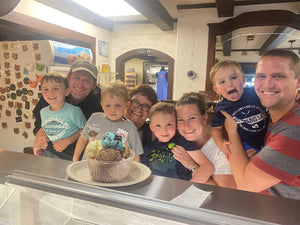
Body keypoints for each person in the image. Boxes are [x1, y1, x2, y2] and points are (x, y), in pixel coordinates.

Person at [221, 49, 300, 199]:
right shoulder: (273, 116)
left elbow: (245, 184)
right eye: (261, 76)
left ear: (298, 81)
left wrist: (232, 131)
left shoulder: (295, 129)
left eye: (278, 76)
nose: (267, 84)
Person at [33, 60, 103, 159]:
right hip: (50, 153)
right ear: (69, 77)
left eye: (86, 80)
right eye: (77, 77)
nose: (80, 85)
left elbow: (95, 133)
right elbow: (39, 122)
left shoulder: (100, 102)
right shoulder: (53, 93)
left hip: (79, 158)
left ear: (94, 84)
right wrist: (39, 133)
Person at [174, 92, 236, 188]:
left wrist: (193, 166)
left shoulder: (221, 150)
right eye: (180, 120)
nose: (186, 126)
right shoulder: (175, 143)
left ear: (204, 118)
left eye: (192, 118)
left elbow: (223, 195)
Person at [142, 102, 215, 183]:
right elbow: (144, 174)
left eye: (169, 124)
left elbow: (208, 167)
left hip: (182, 191)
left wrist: (189, 190)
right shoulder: (148, 148)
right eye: (158, 126)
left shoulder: (182, 142)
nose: (164, 130)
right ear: (151, 127)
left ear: (176, 125)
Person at [210, 60, 268, 159]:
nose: (229, 84)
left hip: (268, 137)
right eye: (222, 82)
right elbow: (215, 129)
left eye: (233, 77)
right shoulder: (221, 107)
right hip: (245, 145)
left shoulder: (255, 92)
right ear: (217, 90)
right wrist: (221, 144)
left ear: (243, 80)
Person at [73, 80, 143, 162]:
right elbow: (83, 139)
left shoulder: (130, 127)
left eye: (118, 105)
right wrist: (75, 160)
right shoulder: (94, 118)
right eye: (108, 105)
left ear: (126, 105)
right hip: (90, 168)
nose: (112, 110)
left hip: (117, 172)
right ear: (102, 105)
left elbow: (136, 154)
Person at [34, 73, 86, 159]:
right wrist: (38, 144)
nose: (50, 93)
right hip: (48, 153)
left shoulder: (74, 111)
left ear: (66, 91)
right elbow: (44, 129)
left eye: (56, 88)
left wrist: (68, 140)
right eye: (46, 89)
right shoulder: (43, 112)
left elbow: (86, 131)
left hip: (69, 157)